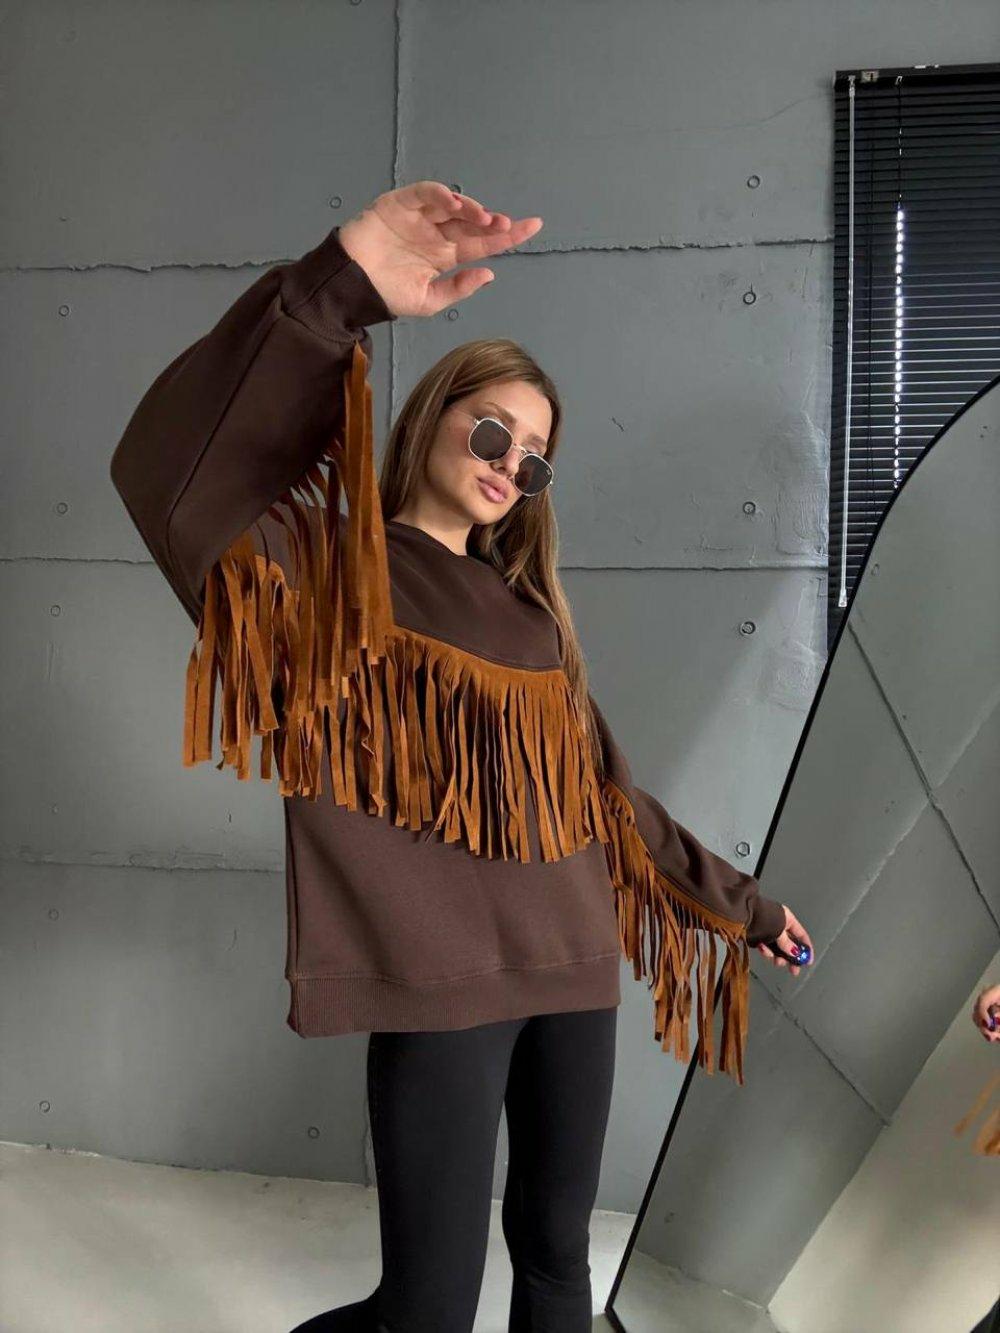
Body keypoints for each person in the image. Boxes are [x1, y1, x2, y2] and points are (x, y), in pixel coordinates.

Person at [110, 180, 813, 1332]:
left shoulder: (532, 618)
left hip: (574, 970)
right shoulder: (333, 581)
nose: (508, 463)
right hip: (442, 989)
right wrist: (336, 287)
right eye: (492, 430)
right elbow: (177, 482)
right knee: (426, 1308)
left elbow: (608, 805)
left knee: (557, 1266)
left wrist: (746, 906)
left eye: (533, 459)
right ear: (432, 416)